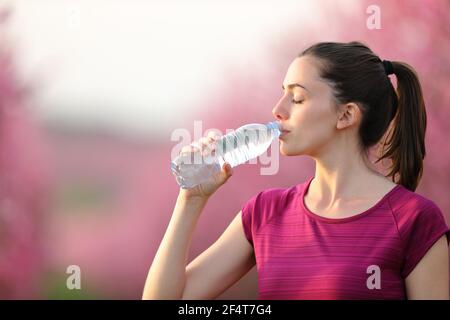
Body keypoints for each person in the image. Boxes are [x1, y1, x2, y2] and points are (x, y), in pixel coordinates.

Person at [142, 41, 450, 300]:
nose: (278, 108)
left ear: (345, 115)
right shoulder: (265, 212)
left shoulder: (413, 220)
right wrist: (190, 200)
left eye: (297, 97)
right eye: (282, 93)